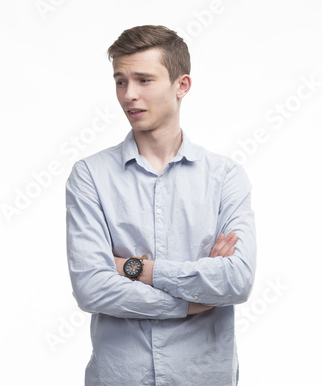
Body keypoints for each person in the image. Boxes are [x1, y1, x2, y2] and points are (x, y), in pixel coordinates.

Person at [65, 25, 256, 385]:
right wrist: (190, 301)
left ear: (181, 85)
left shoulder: (225, 177)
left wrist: (135, 268)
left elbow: (237, 281)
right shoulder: (89, 176)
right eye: (120, 81)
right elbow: (92, 286)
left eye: (143, 80)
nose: (128, 95)